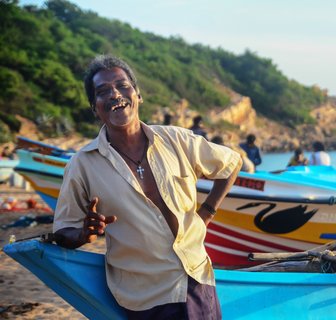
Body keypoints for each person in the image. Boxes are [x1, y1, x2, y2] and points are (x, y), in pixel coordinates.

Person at [53, 55, 242, 319]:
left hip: (196, 282)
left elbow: (231, 163)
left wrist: (207, 212)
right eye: (103, 91)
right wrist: (84, 234)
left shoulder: (176, 139)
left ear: (137, 94)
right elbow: (62, 230)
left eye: (122, 85)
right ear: (94, 108)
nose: (115, 94)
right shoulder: (82, 164)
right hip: (144, 298)